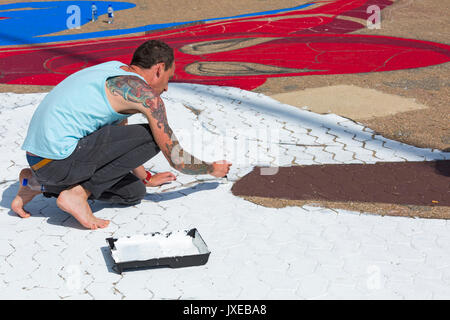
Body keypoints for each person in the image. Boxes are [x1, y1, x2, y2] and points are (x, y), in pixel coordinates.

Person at [11, 40, 231, 230]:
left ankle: (36, 183)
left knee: (133, 192)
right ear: (158, 68)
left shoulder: (113, 69)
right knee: (152, 137)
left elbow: (119, 143)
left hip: (40, 160)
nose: (166, 88)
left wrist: (146, 177)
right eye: (168, 78)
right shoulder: (145, 96)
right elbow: (175, 157)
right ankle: (79, 193)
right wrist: (212, 169)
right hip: (60, 160)